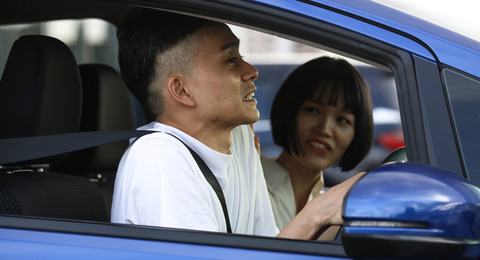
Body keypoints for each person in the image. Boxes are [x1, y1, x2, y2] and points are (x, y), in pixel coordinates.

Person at [111, 8, 365, 240]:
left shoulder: (239, 141)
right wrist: (318, 212)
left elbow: (269, 249)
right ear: (182, 90)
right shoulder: (159, 158)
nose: (251, 70)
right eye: (231, 60)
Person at [261, 57, 373, 235]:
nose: (325, 129)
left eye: (342, 120)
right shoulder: (249, 182)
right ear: (289, 111)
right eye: (313, 110)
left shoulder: (335, 208)